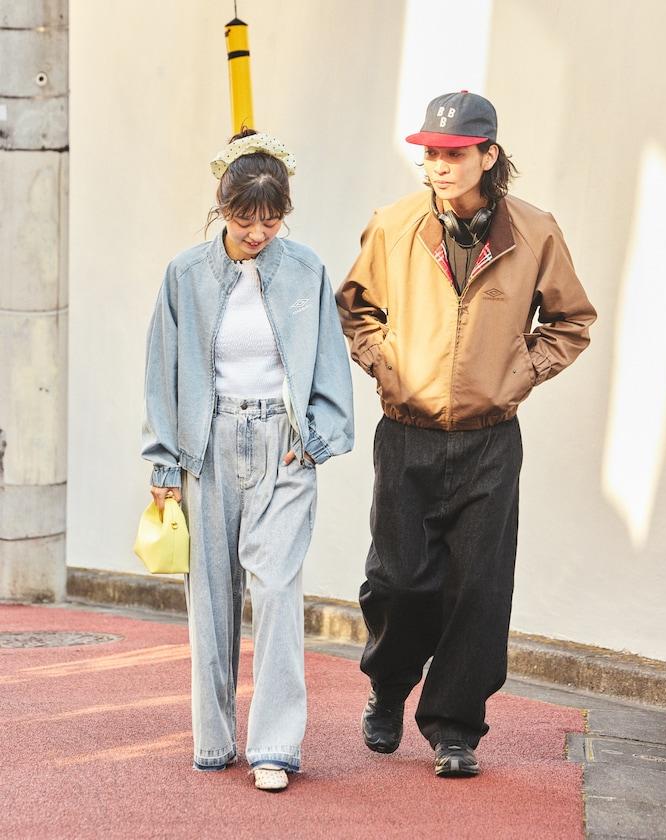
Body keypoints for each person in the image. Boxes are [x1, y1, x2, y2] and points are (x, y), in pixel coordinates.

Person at [336, 91, 596, 778]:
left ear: (489, 154)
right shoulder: (393, 225)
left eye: (453, 153)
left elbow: (571, 321)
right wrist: (386, 363)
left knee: (477, 590)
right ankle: (390, 683)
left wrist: (519, 373)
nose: (439, 165)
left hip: (490, 440)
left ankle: (454, 728)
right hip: (407, 433)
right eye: (430, 153)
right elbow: (356, 309)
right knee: (398, 581)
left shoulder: (535, 231)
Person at [142, 128, 354, 791]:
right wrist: (164, 466)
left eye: (271, 220)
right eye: (244, 220)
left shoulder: (307, 271)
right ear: (222, 208)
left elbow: (330, 362)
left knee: (278, 591)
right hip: (207, 448)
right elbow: (162, 374)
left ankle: (275, 747)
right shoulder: (184, 275)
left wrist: (318, 437)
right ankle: (214, 739)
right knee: (210, 599)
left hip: (282, 446)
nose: (258, 234)